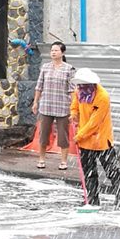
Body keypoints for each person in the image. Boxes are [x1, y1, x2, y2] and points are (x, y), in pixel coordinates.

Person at [70, 68, 120, 206]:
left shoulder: (102, 97)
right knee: (89, 173)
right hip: (85, 142)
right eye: (79, 85)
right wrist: (74, 115)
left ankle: (119, 196)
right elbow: (74, 106)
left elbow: (95, 122)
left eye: (84, 85)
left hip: (101, 141)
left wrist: (79, 136)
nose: (81, 87)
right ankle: (93, 199)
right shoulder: (79, 92)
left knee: (111, 170)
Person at [32, 41, 75, 170]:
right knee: (43, 134)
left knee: (63, 135)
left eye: (56, 50)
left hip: (62, 107)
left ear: (62, 52)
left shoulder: (69, 68)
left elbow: (72, 89)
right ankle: (41, 159)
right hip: (46, 105)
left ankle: (63, 161)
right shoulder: (45, 67)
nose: (53, 52)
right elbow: (39, 86)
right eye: (52, 50)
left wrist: (74, 109)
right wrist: (35, 102)